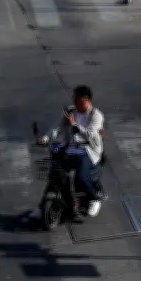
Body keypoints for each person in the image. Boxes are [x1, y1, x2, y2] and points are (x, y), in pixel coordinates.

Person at [29, 85, 105, 219]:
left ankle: (94, 199)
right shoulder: (70, 111)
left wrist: (74, 125)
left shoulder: (96, 115)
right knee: (55, 174)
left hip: (87, 151)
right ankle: (42, 208)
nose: (73, 99)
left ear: (85, 99)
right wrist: (46, 138)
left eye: (76, 97)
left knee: (81, 176)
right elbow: (56, 127)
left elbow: (90, 134)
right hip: (70, 149)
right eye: (73, 97)